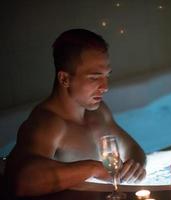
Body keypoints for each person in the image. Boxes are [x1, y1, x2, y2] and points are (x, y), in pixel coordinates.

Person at [4, 29, 146, 197]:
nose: (105, 86)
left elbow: (131, 147)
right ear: (64, 79)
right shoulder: (47, 123)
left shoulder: (99, 111)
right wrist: (93, 168)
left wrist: (135, 165)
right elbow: (21, 183)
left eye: (107, 75)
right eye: (94, 77)